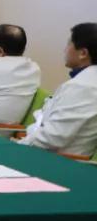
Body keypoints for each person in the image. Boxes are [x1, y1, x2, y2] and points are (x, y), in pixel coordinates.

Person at [20, 22, 97, 158]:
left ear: (83, 53)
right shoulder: (85, 81)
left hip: (55, 162)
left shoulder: (84, 87)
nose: (64, 50)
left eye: (69, 44)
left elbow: (53, 137)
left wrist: (18, 145)